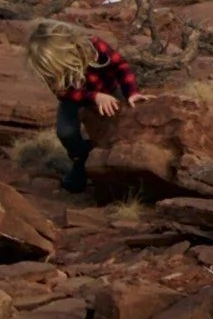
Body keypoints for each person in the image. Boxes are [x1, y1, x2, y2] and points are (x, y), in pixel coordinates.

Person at [24, 19, 146, 194]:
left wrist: (132, 92)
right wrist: (94, 97)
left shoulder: (94, 46)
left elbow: (121, 66)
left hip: (109, 90)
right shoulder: (48, 68)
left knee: (121, 125)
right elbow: (63, 93)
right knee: (65, 132)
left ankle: (118, 169)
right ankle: (81, 160)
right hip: (76, 97)